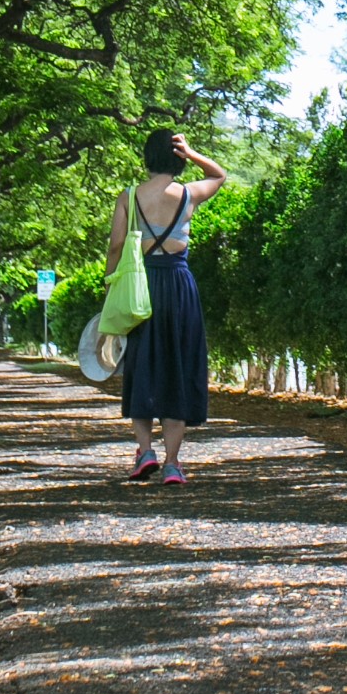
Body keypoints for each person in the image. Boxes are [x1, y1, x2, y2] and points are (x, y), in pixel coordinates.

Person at [105, 128, 225, 484]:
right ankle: (173, 463)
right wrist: (191, 153)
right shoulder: (187, 194)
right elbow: (219, 175)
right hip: (179, 285)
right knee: (177, 364)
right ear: (177, 158)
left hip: (141, 285)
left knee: (140, 365)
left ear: (146, 157)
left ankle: (145, 452)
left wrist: (111, 284)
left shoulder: (129, 196)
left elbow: (115, 246)